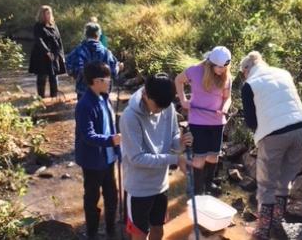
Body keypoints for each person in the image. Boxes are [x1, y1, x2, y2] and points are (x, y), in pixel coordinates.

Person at [240, 51, 302, 240]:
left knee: (266, 183)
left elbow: (251, 122)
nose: (243, 76)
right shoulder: (283, 73)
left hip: (275, 134)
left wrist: (260, 132)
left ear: (247, 69)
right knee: (285, 179)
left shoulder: (249, 85)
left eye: (242, 73)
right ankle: (277, 222)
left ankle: (262, 230)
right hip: (300, 128)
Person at [120, 73, 193, 240]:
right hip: (138, 188)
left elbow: (174, 139)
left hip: (161, 185)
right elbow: (137, 158)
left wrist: (181, 141)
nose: (159, 111)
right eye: (157, 106)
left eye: (163, 107)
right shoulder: (130, 117)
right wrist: (175, 159)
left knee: (158, 232)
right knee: (139, 235)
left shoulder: (167, 107)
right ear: (146, 93)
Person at [175, 46, 232, 196]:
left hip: (218, 122)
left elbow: (227, 97)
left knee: (214, 155)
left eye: (225, 67)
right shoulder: (195, 70)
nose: (221, 70)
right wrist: (183, 100)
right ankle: (197, 188)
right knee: (199, 156)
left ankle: (209, 184)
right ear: (210, 63)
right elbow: (178, 81)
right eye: (219, 67)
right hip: (198, 121)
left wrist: (225, 108)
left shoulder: (227, 76)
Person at [74, 61, 122, 240]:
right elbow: (87, 136)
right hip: (92, 162)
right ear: (96, 81)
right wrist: (110, 140)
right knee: (92, 199)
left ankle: (111, 230)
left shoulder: (104, 97)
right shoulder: (84, 105)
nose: (109, 81)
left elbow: (110, 125)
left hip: (109, 159)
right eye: (106, 78)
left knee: (112, 197)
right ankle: (92, 233)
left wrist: (116, 146)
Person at [66, 21, 123, 100]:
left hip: (83, 92)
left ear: (86, 35)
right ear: (98, 35)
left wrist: (76, 76)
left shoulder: (78, 50)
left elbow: (69, 66)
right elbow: (112, 72)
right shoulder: (106, 52)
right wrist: (119, 68)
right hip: (101, 93)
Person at [29, 5, 66, 98]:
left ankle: (54, 97)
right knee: (42, 76)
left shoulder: (53, 25)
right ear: (42, 15)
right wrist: (47, 52)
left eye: (50, 13)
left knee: (54, 76)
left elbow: (59, 40)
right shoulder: (38, 26)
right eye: (47, 13)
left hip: (54, 53)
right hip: (41, 54)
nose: (49, 15)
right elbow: (39, 40)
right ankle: (40, 98)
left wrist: (61, 54)